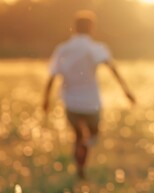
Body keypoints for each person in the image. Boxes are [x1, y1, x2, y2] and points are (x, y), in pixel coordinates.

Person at [42, 10, 136, 179]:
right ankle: (82, 159)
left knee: (78, 135)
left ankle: (79, 158)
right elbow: (112, 68)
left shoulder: (63, 49)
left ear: (74, 27)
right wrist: (127, 91)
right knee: (92, 135)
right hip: (91, 103)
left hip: (70, 102)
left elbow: (52, 76)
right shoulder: (96, 48)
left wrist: (45, 99)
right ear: (92, 27)